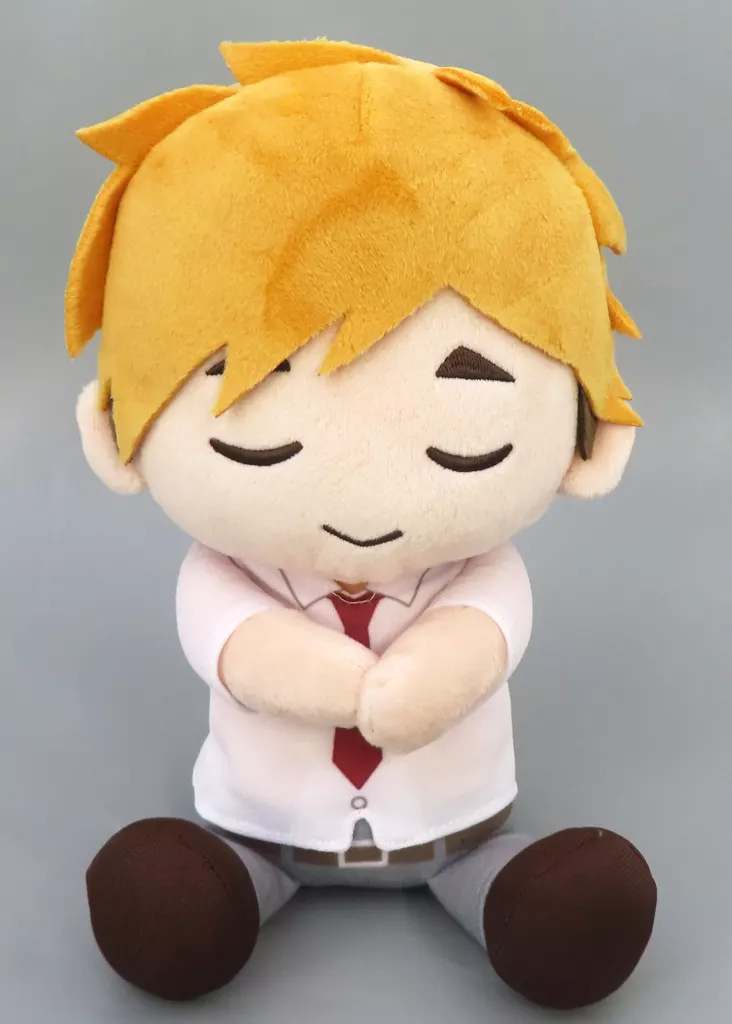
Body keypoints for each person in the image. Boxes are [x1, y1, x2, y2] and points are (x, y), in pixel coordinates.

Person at [67, 39, 656, 1010]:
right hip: (260, 822)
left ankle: (501, 887)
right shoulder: (224, 571)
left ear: (591, 440)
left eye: (464, 415)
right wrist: (332, 681)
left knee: (561, 906)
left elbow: (483, 628)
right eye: (263, 430)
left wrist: (432, 676)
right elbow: (236, 644)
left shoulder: (480, 566)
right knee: (173, 904)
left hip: (456, 821)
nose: (360, 484)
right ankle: (228, 885)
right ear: (115, 433)